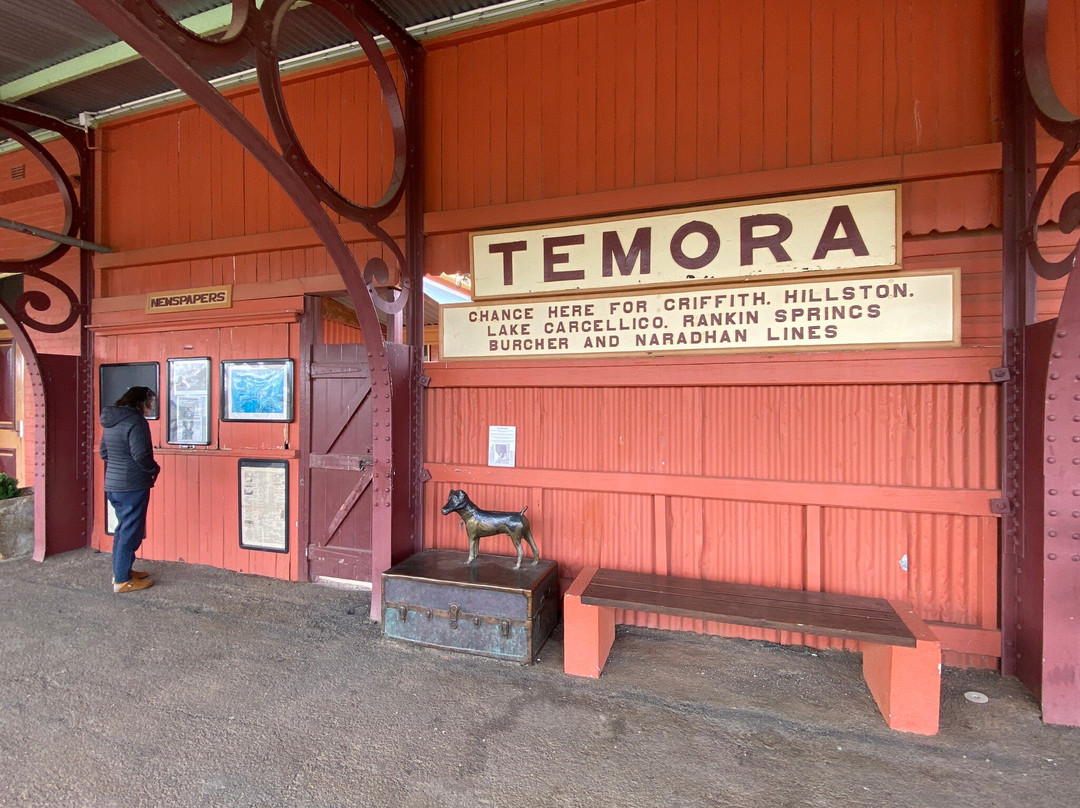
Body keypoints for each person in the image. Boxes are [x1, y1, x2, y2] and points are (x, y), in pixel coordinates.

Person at [100, 386, 160, 593]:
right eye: (150, 403)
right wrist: (154, 469)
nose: (151, 408)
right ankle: (122, 580)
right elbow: (141, 455)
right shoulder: (136, 421)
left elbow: (103, 452)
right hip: (132, 485)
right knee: (130, 531)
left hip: (113, 484)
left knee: (123, 528)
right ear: (140, 402)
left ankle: (121, 571)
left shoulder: (111, 420)